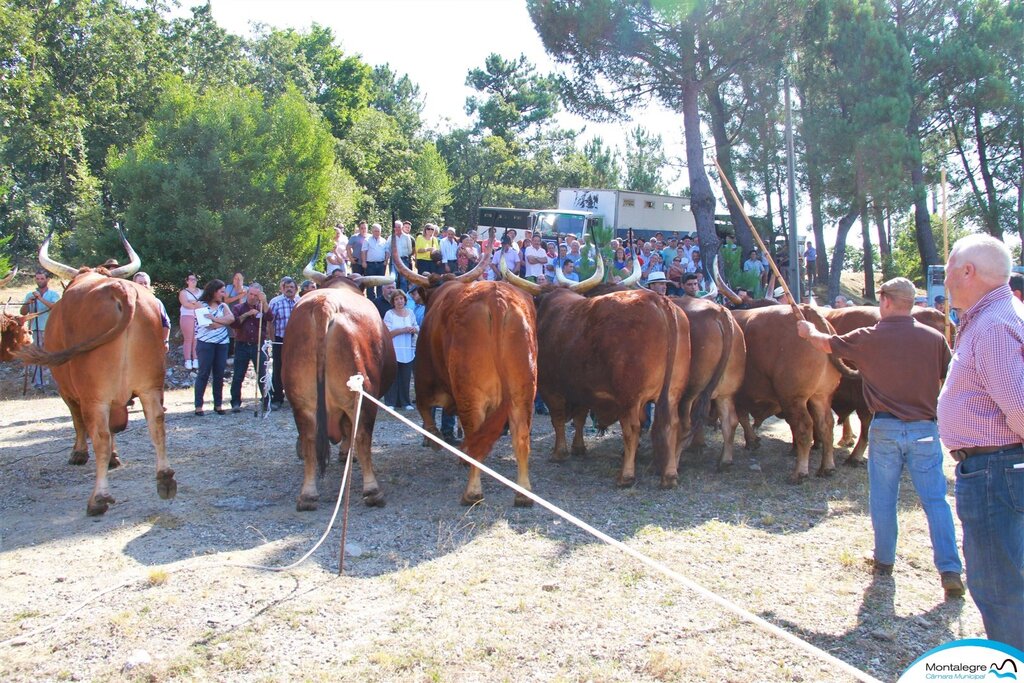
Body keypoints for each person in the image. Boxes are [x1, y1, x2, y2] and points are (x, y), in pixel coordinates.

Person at [797, 277, 964, 599]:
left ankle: (884, 561)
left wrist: (807, 332)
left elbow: (826, 343)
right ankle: (949, 569)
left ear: (886, 301)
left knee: (884, 500)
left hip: (885, 428)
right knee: (935, 501)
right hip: (925, 429)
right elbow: (951, 377)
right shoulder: (934, 338)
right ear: (911, 302)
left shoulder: (868, 337)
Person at [937, 234, 1024, 649]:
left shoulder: (991, 326)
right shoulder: (1000, 316)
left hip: (997, 471)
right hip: (999, 469)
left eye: (950, 268)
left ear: (968, 271)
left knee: (1000, 589)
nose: (946, 278)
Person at [193, 279, 235, 416]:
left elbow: (231, 319)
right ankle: (198, 406)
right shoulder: (201, 304)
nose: (223, 294)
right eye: (221, 291)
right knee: (203, 373)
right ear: (213, 291)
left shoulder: (223, 306)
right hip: (206, 343)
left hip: (222, 343)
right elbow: (207, 325)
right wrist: (222, 322)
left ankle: (218, 404)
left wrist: (214, 318)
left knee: (219, 374)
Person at [229, 283, 272, 412]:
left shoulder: (262, 307)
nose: (252, 297)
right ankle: (235, 402)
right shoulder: (238, 307)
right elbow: (234, 324)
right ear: (247, 293)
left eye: (255, 295)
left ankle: (265, 400)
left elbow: (270, 317)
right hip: (242, 345)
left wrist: (264, 302)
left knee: (262, 374)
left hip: (259, 345)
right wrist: (247, 314)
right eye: (251, 294)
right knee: (238, 375)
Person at [21, 268, 61, 389]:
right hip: (35, 329)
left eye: (42, 278)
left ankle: (52, 383)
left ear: (48, 280)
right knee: (37, 356)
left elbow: (55, 308)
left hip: (51, 329)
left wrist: (40, 299)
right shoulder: (30, 294)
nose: (39, 281)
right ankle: (38, 383)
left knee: (51, 355)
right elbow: (23, 312)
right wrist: (28, 303)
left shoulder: (54, 294)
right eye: (37, 278)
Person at [383, 289, 418, 409]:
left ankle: (405, 402)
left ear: (405, 300)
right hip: (394, 350)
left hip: (407, 349)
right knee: (393, 377)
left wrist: (414, 329)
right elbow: (387, 333)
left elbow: (416, 326)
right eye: (397, 299)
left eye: (401, 298)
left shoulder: (410, 312)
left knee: (405, 377)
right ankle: (390, 402)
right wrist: (402, 330)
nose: (399, 301)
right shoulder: (389, 314)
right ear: (393, 301)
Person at [268, 277, 298, 408]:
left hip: (297, 341)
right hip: (280, 340)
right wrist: (273, 340)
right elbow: (270, 322)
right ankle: (277, 398)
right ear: (283, 289)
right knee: (278, 369)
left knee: (296, 368)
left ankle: (295, 397)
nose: (289, 289)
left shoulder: (300, 302)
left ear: (296, 289)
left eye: (292, 287)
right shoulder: (276, 302)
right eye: (287, 287)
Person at [132, 272, 170, 350]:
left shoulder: (156, 302)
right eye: (140, 283)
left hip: (152, 344)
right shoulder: (129, 303)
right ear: (134, 284)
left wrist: (165, 341)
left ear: (149, 285)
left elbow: (166, 323)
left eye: (145, 283)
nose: (143, 285)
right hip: (132, 343)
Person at [177, 273, 203, 370]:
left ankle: (195, 358)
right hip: (187, 315)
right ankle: (188, 360)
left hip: (199, 316)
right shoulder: (183, 292)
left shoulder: (201, 292)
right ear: (187, 281)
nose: (193, 281)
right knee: (188, 339)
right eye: (191, 279)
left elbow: (204, 303)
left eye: (195, 279)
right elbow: (185, 304)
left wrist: (193, 303)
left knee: (197, 338)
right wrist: (197, 305)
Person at [361, 223, 390, 299]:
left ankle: (379, 299)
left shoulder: (384, 241)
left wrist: (386, 261)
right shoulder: (367, 240)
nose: (377, 233)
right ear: (372, 231)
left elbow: (387, 251)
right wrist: (364, 262)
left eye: (378, 231)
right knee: (370, 284)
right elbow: (364, 251)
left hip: (381, 265)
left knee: (380, 284)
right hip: (370, 265)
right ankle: (371, 300)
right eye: (375, 231)